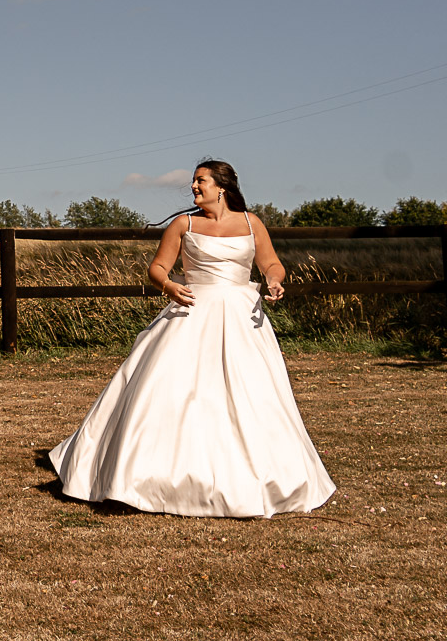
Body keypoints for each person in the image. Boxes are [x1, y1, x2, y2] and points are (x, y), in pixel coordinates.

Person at [49, 159, 337, 518]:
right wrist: (169, 286)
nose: (194, 187)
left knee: (251, 393)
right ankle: (149, 474)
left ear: (222, 187)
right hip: (192, 310)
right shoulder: (183, 224)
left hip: (241, 317)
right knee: (172, 391)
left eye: (201, 180)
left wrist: (275, 281)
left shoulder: (251, 223)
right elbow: (157, 267)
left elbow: (270, 264)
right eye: (194, 181)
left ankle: (258, 474)